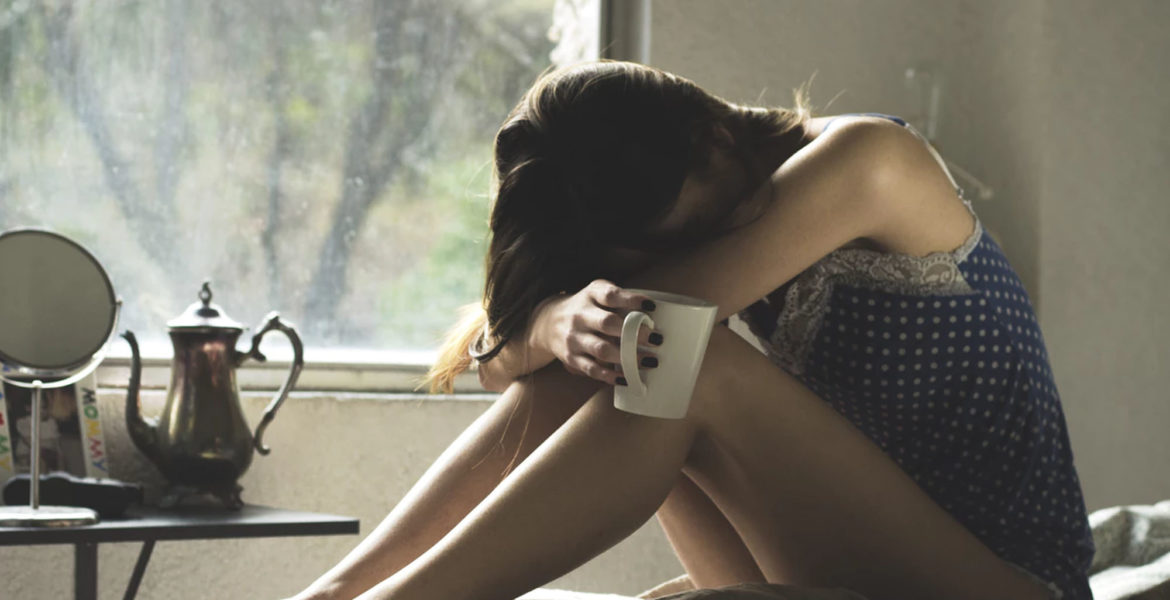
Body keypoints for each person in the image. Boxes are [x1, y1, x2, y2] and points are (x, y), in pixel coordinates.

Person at [289, 60, 1095, 600]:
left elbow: (623, 328)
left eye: (674, 238)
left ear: (715, 139)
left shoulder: (872, 160)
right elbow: (506, 363)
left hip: (1004, 581)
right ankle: (339, 592)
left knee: (670, 351)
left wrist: (557, 323)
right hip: (839, 558)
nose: (682, 256)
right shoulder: (700, 200)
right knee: (626, 352)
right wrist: (554, 321)